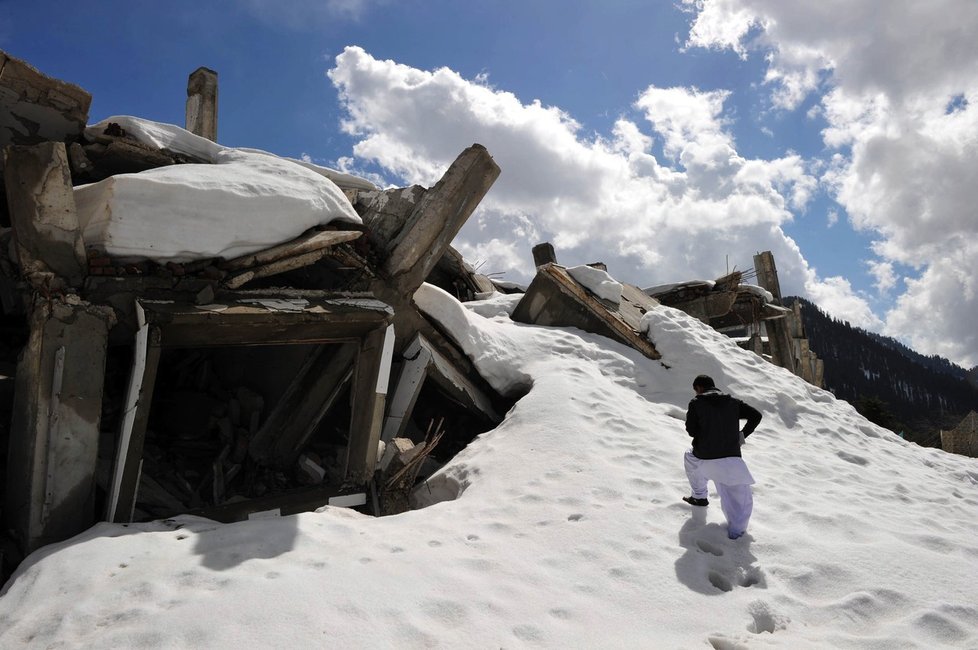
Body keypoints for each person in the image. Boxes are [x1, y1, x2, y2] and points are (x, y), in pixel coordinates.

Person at [682, 374, 762, 540]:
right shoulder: (733, 402)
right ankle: (737, 534)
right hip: (732, 459)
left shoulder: (696, 403)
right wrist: (742, 435)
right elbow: (756, 416)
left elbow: (691, 430)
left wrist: (705, 433)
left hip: (704, 456)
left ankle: (699, 497)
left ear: (699, 388)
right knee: (737, 498)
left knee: (690, 459)